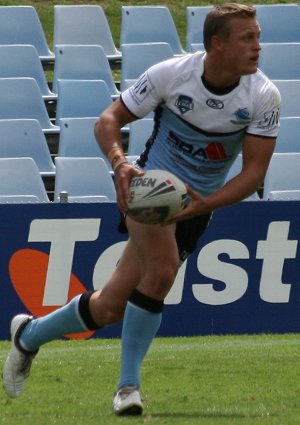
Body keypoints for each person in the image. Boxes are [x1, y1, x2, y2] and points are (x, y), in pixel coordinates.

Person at [3, 2, 280, 416]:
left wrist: (203, 204)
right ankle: (127, 388)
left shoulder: (262, 95)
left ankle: (29, 334)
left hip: (196, 205)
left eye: (258, 36)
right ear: (217, 44)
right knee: (163, 269)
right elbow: (107, 121)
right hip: (149, 191)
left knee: (110, 306)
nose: (258, 46)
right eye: (248, 38)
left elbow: (254, 174)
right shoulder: (173, 75)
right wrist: (120, 165)